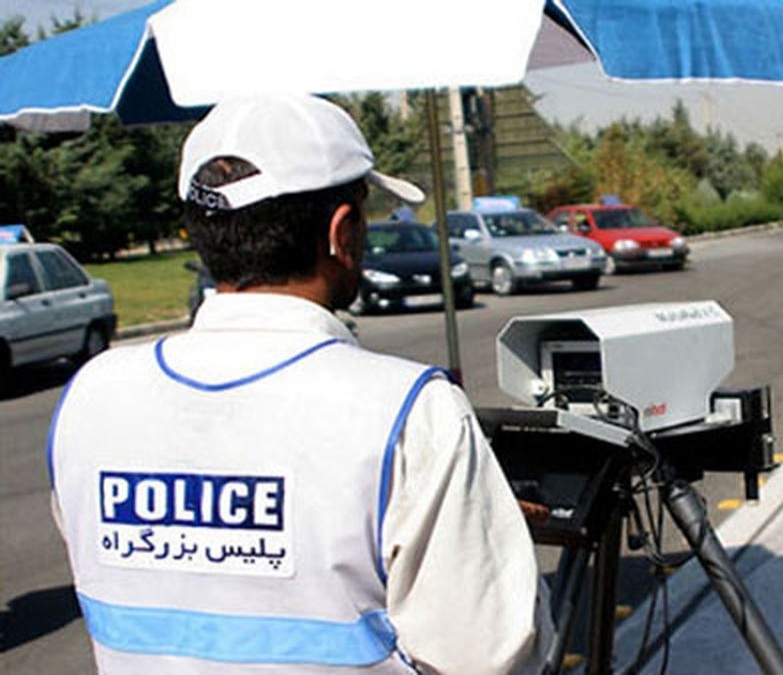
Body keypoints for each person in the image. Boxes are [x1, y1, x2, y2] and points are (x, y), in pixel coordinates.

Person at [47, 93, 552, 674]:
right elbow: (487, 655)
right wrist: (485, 535)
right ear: (341, 233)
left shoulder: (91, 396)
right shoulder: (410, 411)